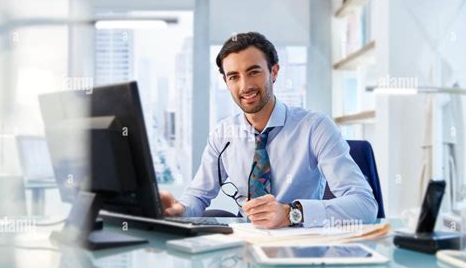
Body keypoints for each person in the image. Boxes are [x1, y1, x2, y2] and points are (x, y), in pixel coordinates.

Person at [160, 32, 378, 229]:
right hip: (244, 247)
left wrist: (291, 213)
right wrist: (178, 210)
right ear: (226, 82)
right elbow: (197, 197)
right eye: (234, 76)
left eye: (253, 72)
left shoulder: (315, 127)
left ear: (274, 72)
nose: (245, 86)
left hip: (301, 246)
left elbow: (365, 204)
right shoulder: (223, 134)